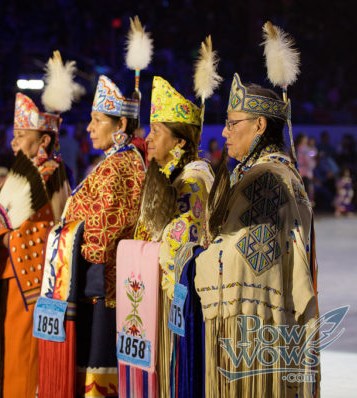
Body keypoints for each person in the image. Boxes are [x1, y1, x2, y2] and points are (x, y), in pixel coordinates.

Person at [182, 22, 319, 397]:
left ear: (259, 125)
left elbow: (248, 260)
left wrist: (188, 255)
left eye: (231, 124)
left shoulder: (267, 178)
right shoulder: (267, 173)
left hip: (253, 336)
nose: (223, 133)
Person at [0, 50, 75, 398]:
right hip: (5, 272)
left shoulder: (52, 173)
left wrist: (0, 237)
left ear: (44, 140)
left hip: (30, 277)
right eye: (13, 134)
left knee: (22, 355)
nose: (13, 142)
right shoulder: (20, 175)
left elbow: (53, 227)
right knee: (7, 348)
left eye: (22, 134)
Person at [116, 35, 218, 398]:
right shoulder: (157, 174)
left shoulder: (195, 176)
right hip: (146, 289)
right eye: (148, 130)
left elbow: (181, 235)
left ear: (178, 140)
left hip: (175, 295)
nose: (146, 138)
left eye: (156, 131)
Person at [37, 73, 146, 398]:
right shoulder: (114, 163)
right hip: (95, 287)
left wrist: (61, 234)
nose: (89, 127)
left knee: (97, 376)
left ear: (120, 127)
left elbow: (100, 241)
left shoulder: (122, 167)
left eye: (97, 120)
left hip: (104, 293)